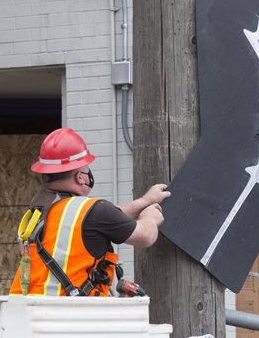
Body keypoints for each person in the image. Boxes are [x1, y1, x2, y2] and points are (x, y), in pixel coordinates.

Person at [9, 127, 169, 297]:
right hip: (71, 314)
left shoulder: (43, 208)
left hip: (28, 311)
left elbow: (109, 219)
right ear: (80, 177)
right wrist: (150, 218)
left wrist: (145, 201)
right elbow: (145, 236)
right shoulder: (93, 212)